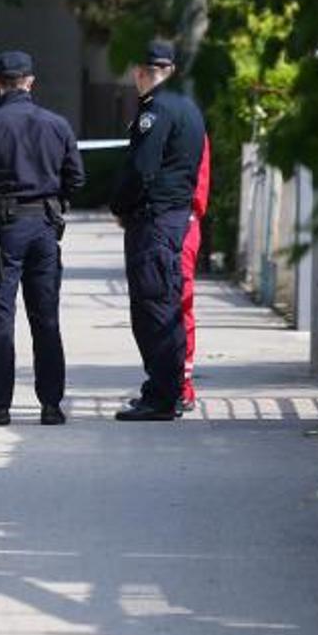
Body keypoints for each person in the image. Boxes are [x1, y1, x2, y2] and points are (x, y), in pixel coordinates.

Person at [0, 50, 84, 426]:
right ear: (30, 82)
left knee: (0, 314)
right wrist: (53, 203)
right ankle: (51, 405)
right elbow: (76, 178)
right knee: (46, 316)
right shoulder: (57, 125)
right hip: (45, 227)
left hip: (4, 228)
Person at [110, 39, 207, 421]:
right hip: (176, 217)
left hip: (155, 220)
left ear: (140, 72)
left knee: (153, 308)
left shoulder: (157, 110)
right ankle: (169, 389)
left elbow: (142, 168)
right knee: (167, 305)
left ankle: (161, 397)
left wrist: (120, 205)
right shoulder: (189, 107)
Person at [180, 134, 212, 412]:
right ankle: (171, 382)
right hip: (179, 220)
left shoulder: (188, 129)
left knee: (180, 303)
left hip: (180, 221)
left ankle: (182, 384)